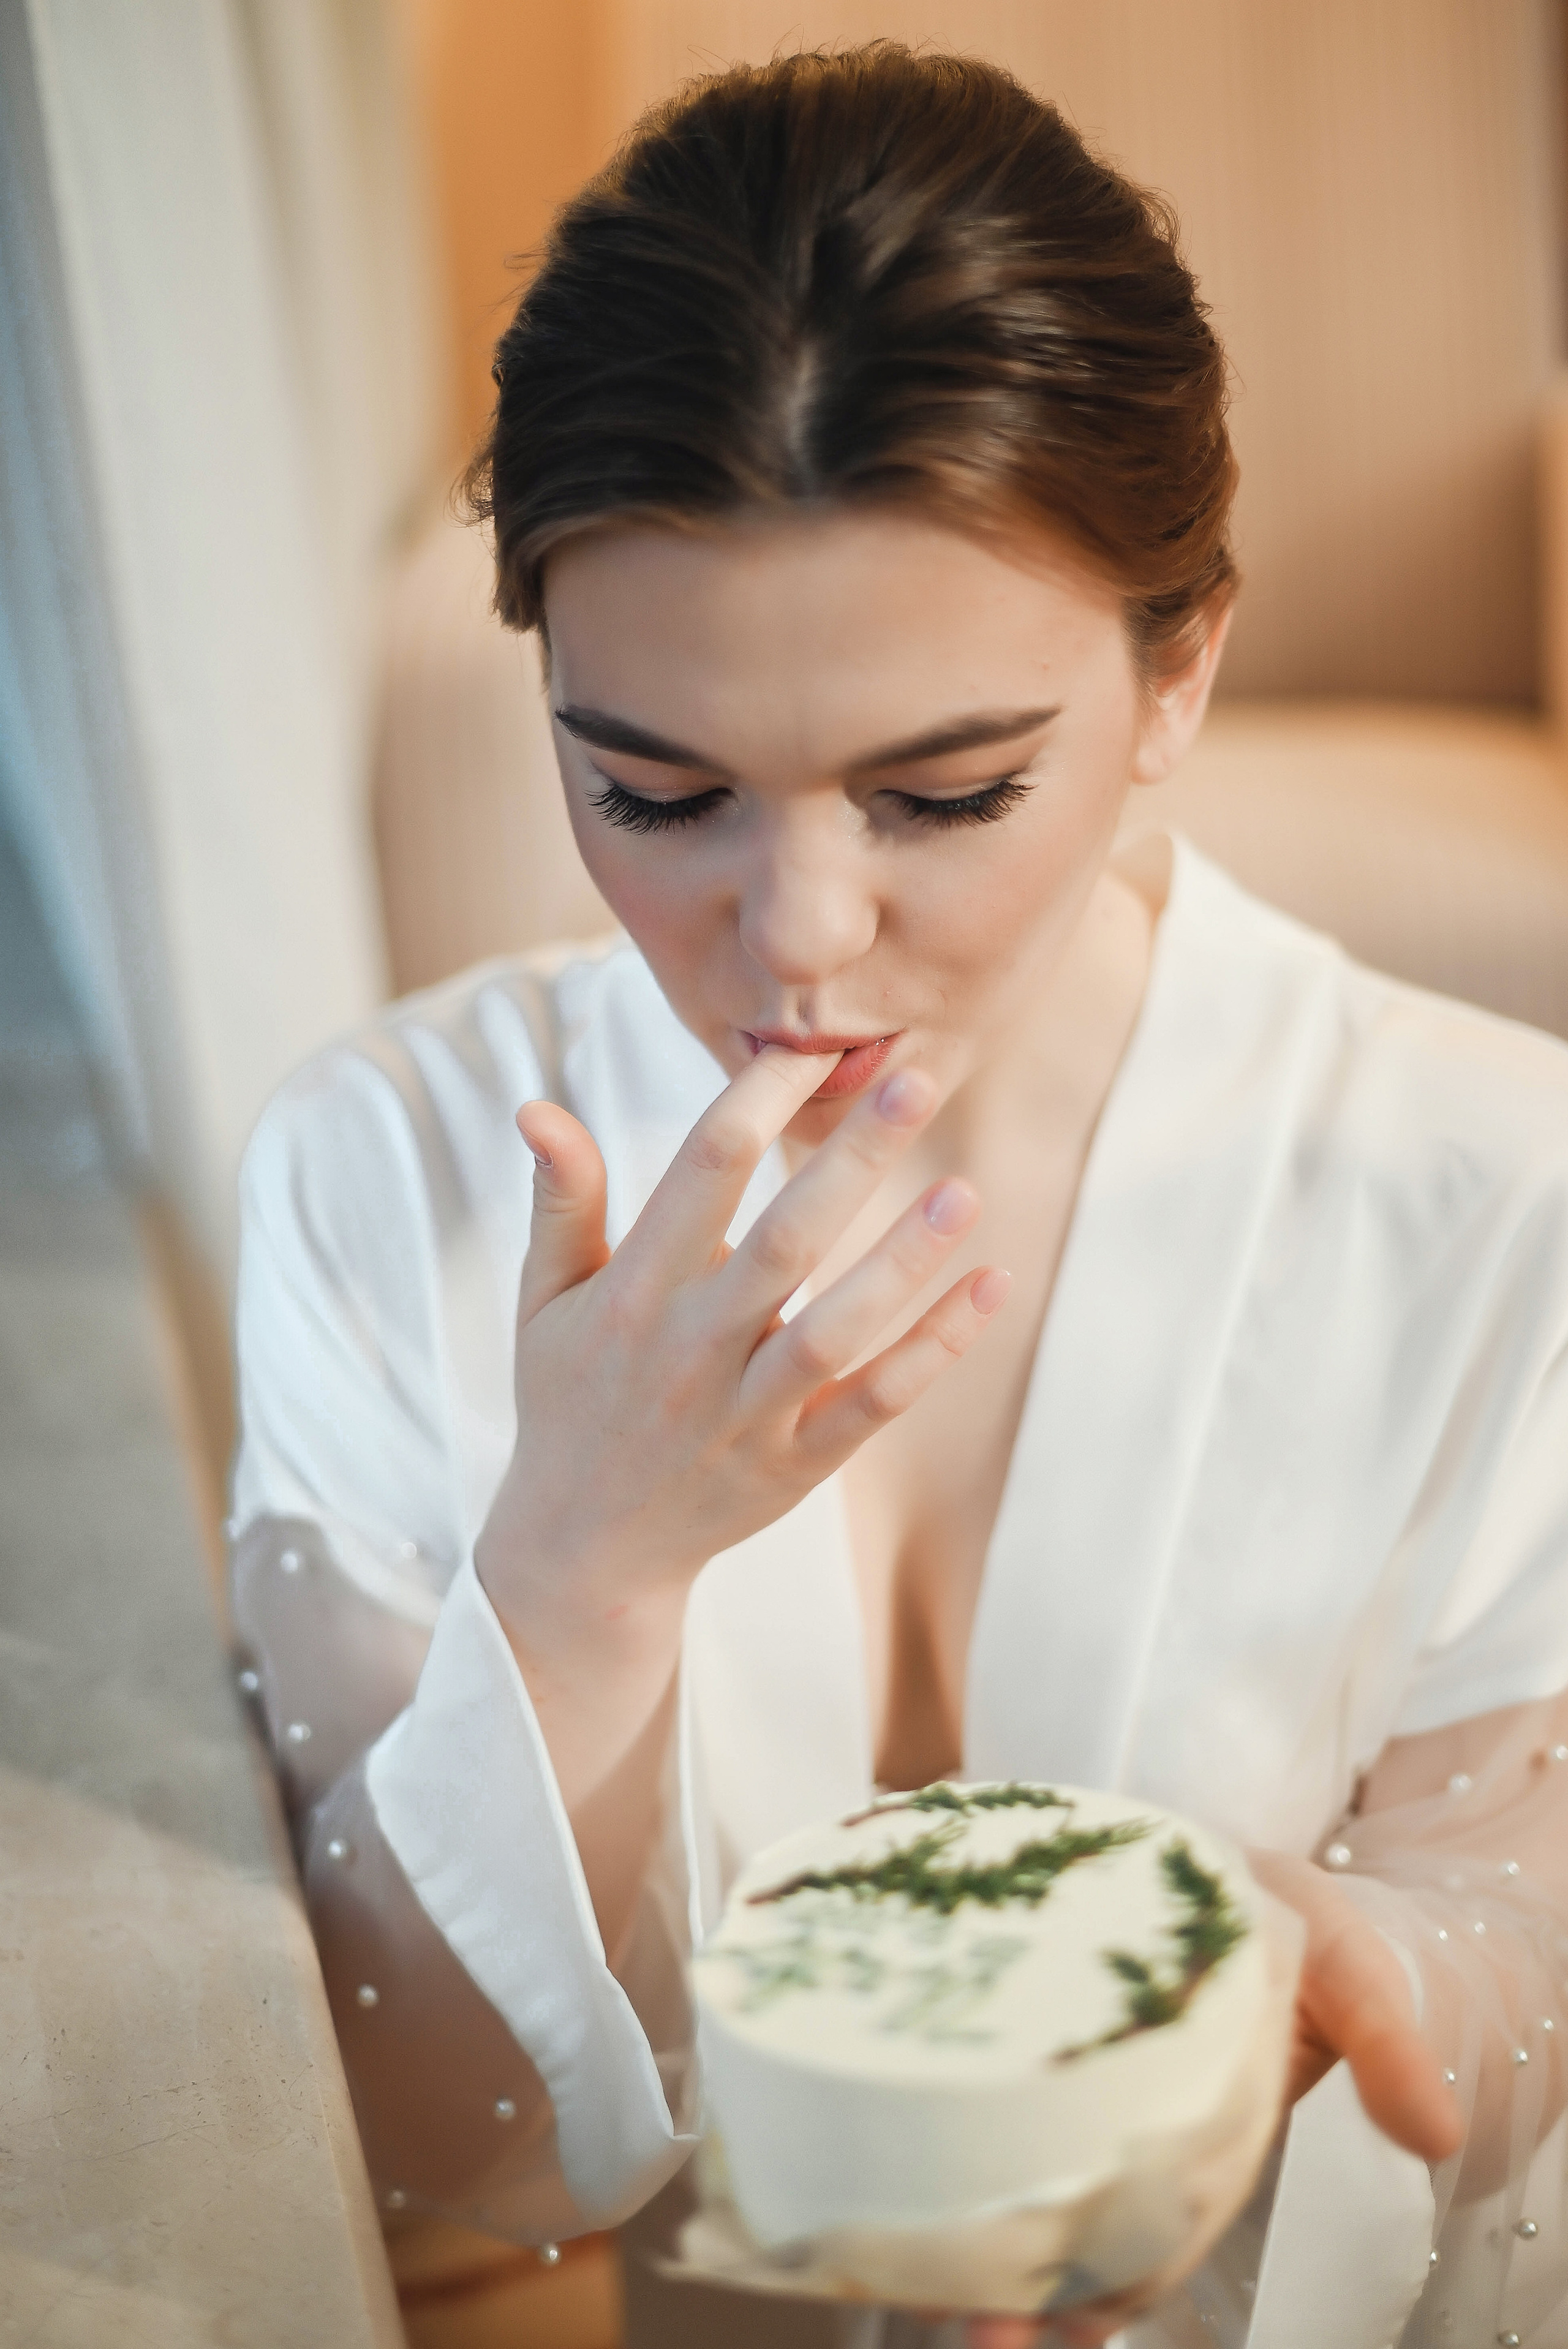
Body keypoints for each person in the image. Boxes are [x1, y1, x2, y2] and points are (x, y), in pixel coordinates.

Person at [229, 45, 1568, 2349]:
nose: (804, 932)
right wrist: (578, 1563)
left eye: (944, 794)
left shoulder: (1495, 1195)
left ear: (1178, 673)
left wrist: (1368, 1967)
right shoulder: (389, 1167)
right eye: (657, 793)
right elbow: (422, 2146)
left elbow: (1511, 1916)